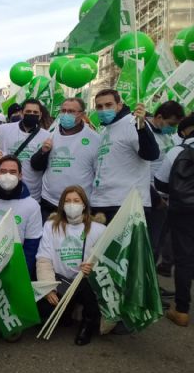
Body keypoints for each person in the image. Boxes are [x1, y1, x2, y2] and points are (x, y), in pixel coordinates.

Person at [36, 186, 106, 345]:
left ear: (84, 204)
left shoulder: (99, 229)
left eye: (76, 201)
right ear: (61, 205)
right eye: (67, 201)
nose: (72, 204)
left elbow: (107, 261)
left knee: (90, 286)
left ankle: (88, 323)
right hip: (61, 282)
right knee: (44, 310)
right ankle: (67, 310)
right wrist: (48, 287)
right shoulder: (50, 226)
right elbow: (43, 259)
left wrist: (93, 268)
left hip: (84, 283)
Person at [91, 89, 159, 223]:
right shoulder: (105, 130)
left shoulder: (132, 123)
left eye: (109, 105)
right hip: (102, 203)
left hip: (126, 204)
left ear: (119, 105)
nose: (104, 110)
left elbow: (151, 153)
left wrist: (142, 127)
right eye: (99, 106)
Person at [30, 98, 101, 222]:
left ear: (82, 114)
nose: (66, 114)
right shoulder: (50, 134)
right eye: (63, 111)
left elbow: (99, 173)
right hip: (50, 202)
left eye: (71, 111)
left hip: (78, 205)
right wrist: (43, 152)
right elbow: (36, 165)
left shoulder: (95, 139)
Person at [155, 113, 194, 327]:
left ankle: (181, 309)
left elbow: (160, 183)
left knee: (184, 259)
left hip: (183, 212)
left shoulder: (177, 151)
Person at [145, 101, 184, 265]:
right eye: (171, 124)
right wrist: (155, 198)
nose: (173, 129)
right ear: (159, 117)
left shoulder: (165, 135)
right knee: (148, 244)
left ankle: (151, 282)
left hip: (165, 199)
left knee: (157, 245)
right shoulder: (144, 132)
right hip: (150, 198)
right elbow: (140, 171)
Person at [0, 99, 49, 201]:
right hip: (6, 188)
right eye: (28, 112)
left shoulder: (47, 136)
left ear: (40, 115)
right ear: (22, 113)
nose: (31, 114)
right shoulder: (3, 130)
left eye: (35, 112)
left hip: (32, 193)